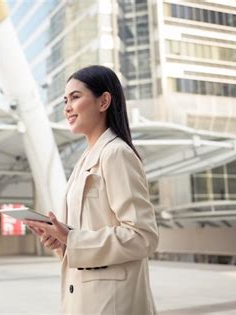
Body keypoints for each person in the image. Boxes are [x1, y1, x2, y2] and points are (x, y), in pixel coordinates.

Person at [25, 65, 159, 314]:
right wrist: (60, 241)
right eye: (66, 100)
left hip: (112, 302)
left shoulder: (116, 153)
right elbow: (86, 234)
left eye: (75, 97)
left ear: (103, 101)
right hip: (84, 299)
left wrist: (72, 238)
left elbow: (143, 237)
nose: (67, 107)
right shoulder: (84, 161)